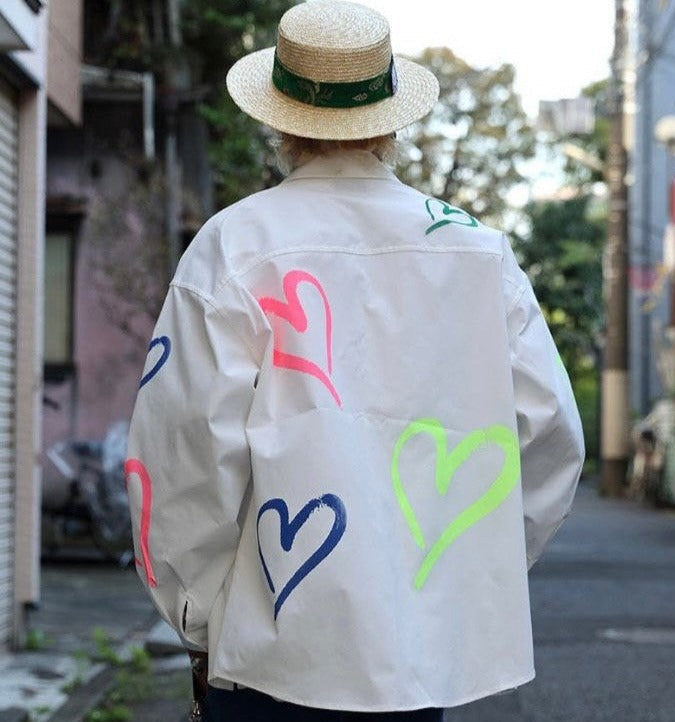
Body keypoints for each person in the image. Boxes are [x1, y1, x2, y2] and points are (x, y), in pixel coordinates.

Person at [125, 2, 585, 721]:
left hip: (268, 651)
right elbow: (551, 430)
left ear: (279, 121)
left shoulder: (234, 245)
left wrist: (200, 615)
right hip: (415, 654)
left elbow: (181, 449)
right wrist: (463, 571)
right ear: (391, 119)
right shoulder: (475, 252)